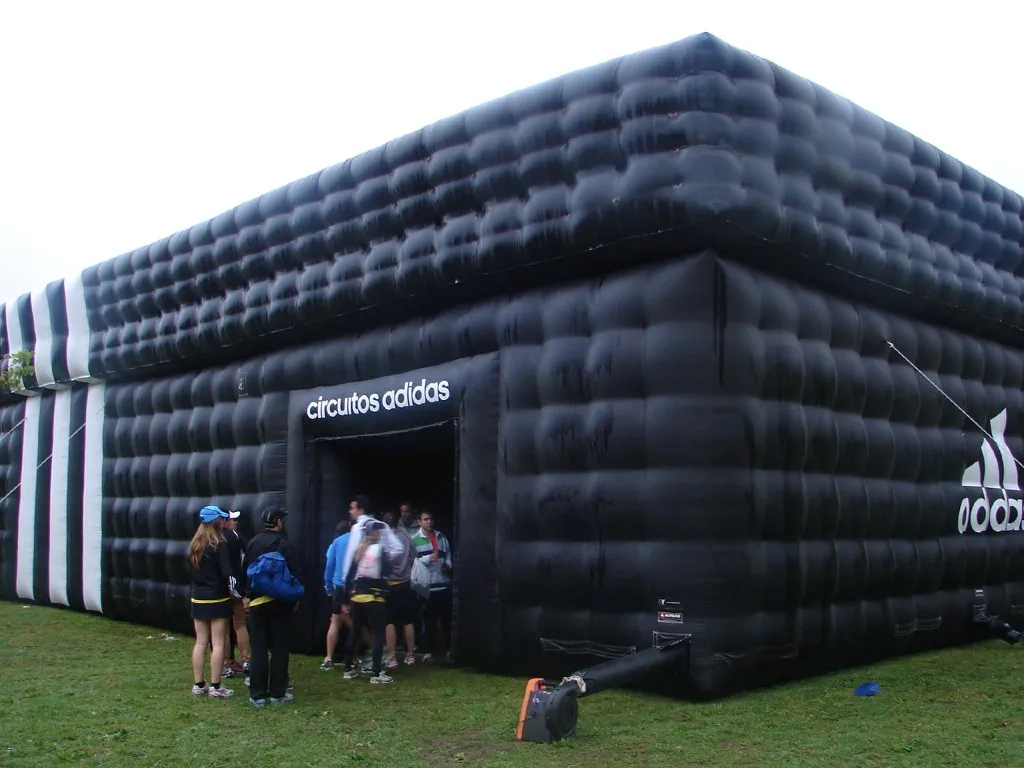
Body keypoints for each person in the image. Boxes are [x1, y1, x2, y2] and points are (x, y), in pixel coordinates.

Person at [243, 506, 304, 706]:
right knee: (279, 649)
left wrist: (246, 597)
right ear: (278, 522)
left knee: (258, 649)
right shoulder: (286, 544)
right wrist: (294, 598)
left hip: (256, 603)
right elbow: (296, 574)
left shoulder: (253, 542)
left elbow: (245, 572)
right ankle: (278, 692)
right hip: (281, 604)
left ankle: (258, 695)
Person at [188, 505, 239, 698]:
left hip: (198, 598)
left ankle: (199, 684)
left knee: (200, 642)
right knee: (218, 644)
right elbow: (228, 573)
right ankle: (216, 687)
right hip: (217, 598)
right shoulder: (219, 544)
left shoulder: (195, 544)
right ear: (217, 521)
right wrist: (239, 594)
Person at [341, 520, 394, 684]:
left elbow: (349, 576)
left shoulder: (359, 550)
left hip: (357, 597)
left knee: (355, 632)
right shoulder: (380, 549)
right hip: (375, 597)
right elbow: (388, 570)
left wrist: (345, 600)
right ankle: (376, 673)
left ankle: (348, 668)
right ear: (375, 534)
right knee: (378, 634)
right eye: (378, 531)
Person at [411, 509, 453, 663]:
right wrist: (428, 558)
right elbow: (412, 562)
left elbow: (448, 554)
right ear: (419, 522)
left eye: (431, 519)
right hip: (428, 587)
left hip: (444, 584)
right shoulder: (414, 539)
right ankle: (428, 651)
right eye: (426, 519)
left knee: (447, 620)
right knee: (429, 621)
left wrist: (448, 565)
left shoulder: (441, 536)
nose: (429, 522)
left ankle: (449, 649)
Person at [382, 511, 418, 668]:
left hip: (389, 585)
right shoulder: (406, 537)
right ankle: (410, 654)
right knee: (408, 620)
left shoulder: (383, 539)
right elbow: (414, 556)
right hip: (406, 583)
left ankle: (391, 657)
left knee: (389, 621)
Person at [221, 511, 250, 678]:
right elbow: (249, 551)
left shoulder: (213, 537)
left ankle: (226, 663)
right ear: (225, 521)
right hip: (235, 586)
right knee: (240, 624)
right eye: (233, 519)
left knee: (223, 627)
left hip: (220, 587)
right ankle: (246, 659)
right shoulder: (235, 535)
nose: (236, 522)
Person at [321, 520, 351, 671]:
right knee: (355, 623)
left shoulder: (336, 542)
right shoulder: (358, 540)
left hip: (339, 586)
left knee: (335, 622)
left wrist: (328, 586)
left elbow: (329, 565)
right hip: (354, 586)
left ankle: (329, 658)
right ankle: (356, 656)